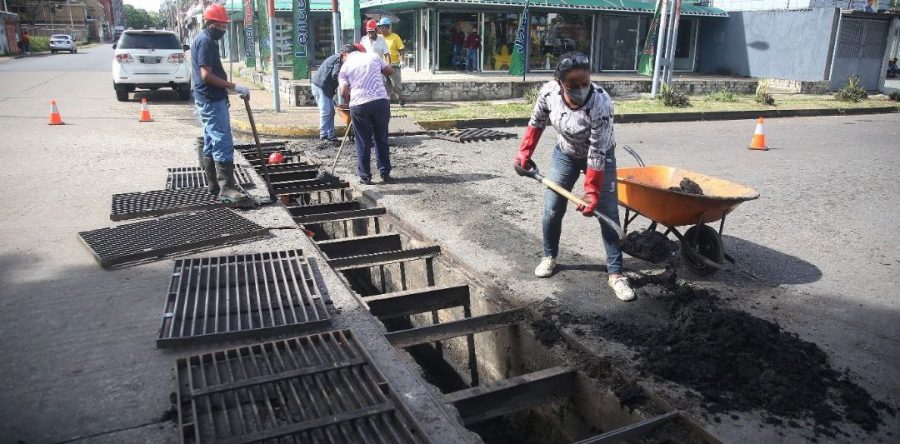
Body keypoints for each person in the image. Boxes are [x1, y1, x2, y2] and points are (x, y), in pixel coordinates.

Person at [513, 52, 635, 302]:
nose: (581, 90)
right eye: (573, 86)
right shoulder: (548, 94)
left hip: (600, 156)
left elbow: (597, 153)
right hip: (565, 153)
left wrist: (591, 191)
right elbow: (536, 123)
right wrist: (524, 153)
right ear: (560, 84)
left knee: (607, 213)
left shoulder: (601, 103)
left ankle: (616, 274)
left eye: (585, 83)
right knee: (552, 210)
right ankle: (549, 256)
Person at [191, 3, 252, 204]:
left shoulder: (204, 39)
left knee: (210, 140)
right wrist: (235, 86)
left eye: (225, 26)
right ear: (210, 23)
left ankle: (214, 185)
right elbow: (206, 75)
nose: (223, 30)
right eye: (220, 25)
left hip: (207, 98)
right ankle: (226, 188)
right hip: (210, 98)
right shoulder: (206, 41)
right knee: (222, 141)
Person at [339, 45, 395, 185]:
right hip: (380, 101)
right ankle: (385, 172)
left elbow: (343, 91)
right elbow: (389, 70)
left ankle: (365, 176)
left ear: (344, 55)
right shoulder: (373, 56)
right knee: (381, 137)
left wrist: (350, 102)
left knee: (363, 141)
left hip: (359, 105)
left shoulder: (345, 67)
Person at [311, 44, 359, 142]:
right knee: (326, 111)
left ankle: (331, 135)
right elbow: (335, 75)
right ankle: (324, 135)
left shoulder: (343, 60)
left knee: (331, 112)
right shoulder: (338, 60)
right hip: (320, 86)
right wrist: (346, 85)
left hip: (328, 88)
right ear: (344, 54)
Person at [379, 17, 407, 106]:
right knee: (385, 85)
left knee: (396, 86)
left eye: (383, 27)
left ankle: (401, 98)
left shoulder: (395, 37)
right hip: (383, 65)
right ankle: (386, 102)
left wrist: (402, 60)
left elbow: (401, 49)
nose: (381, 29)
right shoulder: (379, 38)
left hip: (394, 64)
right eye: (380, 27)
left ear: (388, 27)